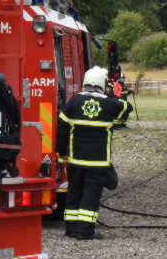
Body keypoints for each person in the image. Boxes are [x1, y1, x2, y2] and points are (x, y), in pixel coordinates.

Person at [56, 66, 132, 240]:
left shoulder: (73, 102)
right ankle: (85, 231)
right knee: (91, 194)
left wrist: (61, 153)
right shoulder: (109, 104)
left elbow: (61, 130)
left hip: (75, 161)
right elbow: (125, 108)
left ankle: (71, 228)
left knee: (74, 192)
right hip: (98, 163)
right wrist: (117, 89)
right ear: (102, 83)